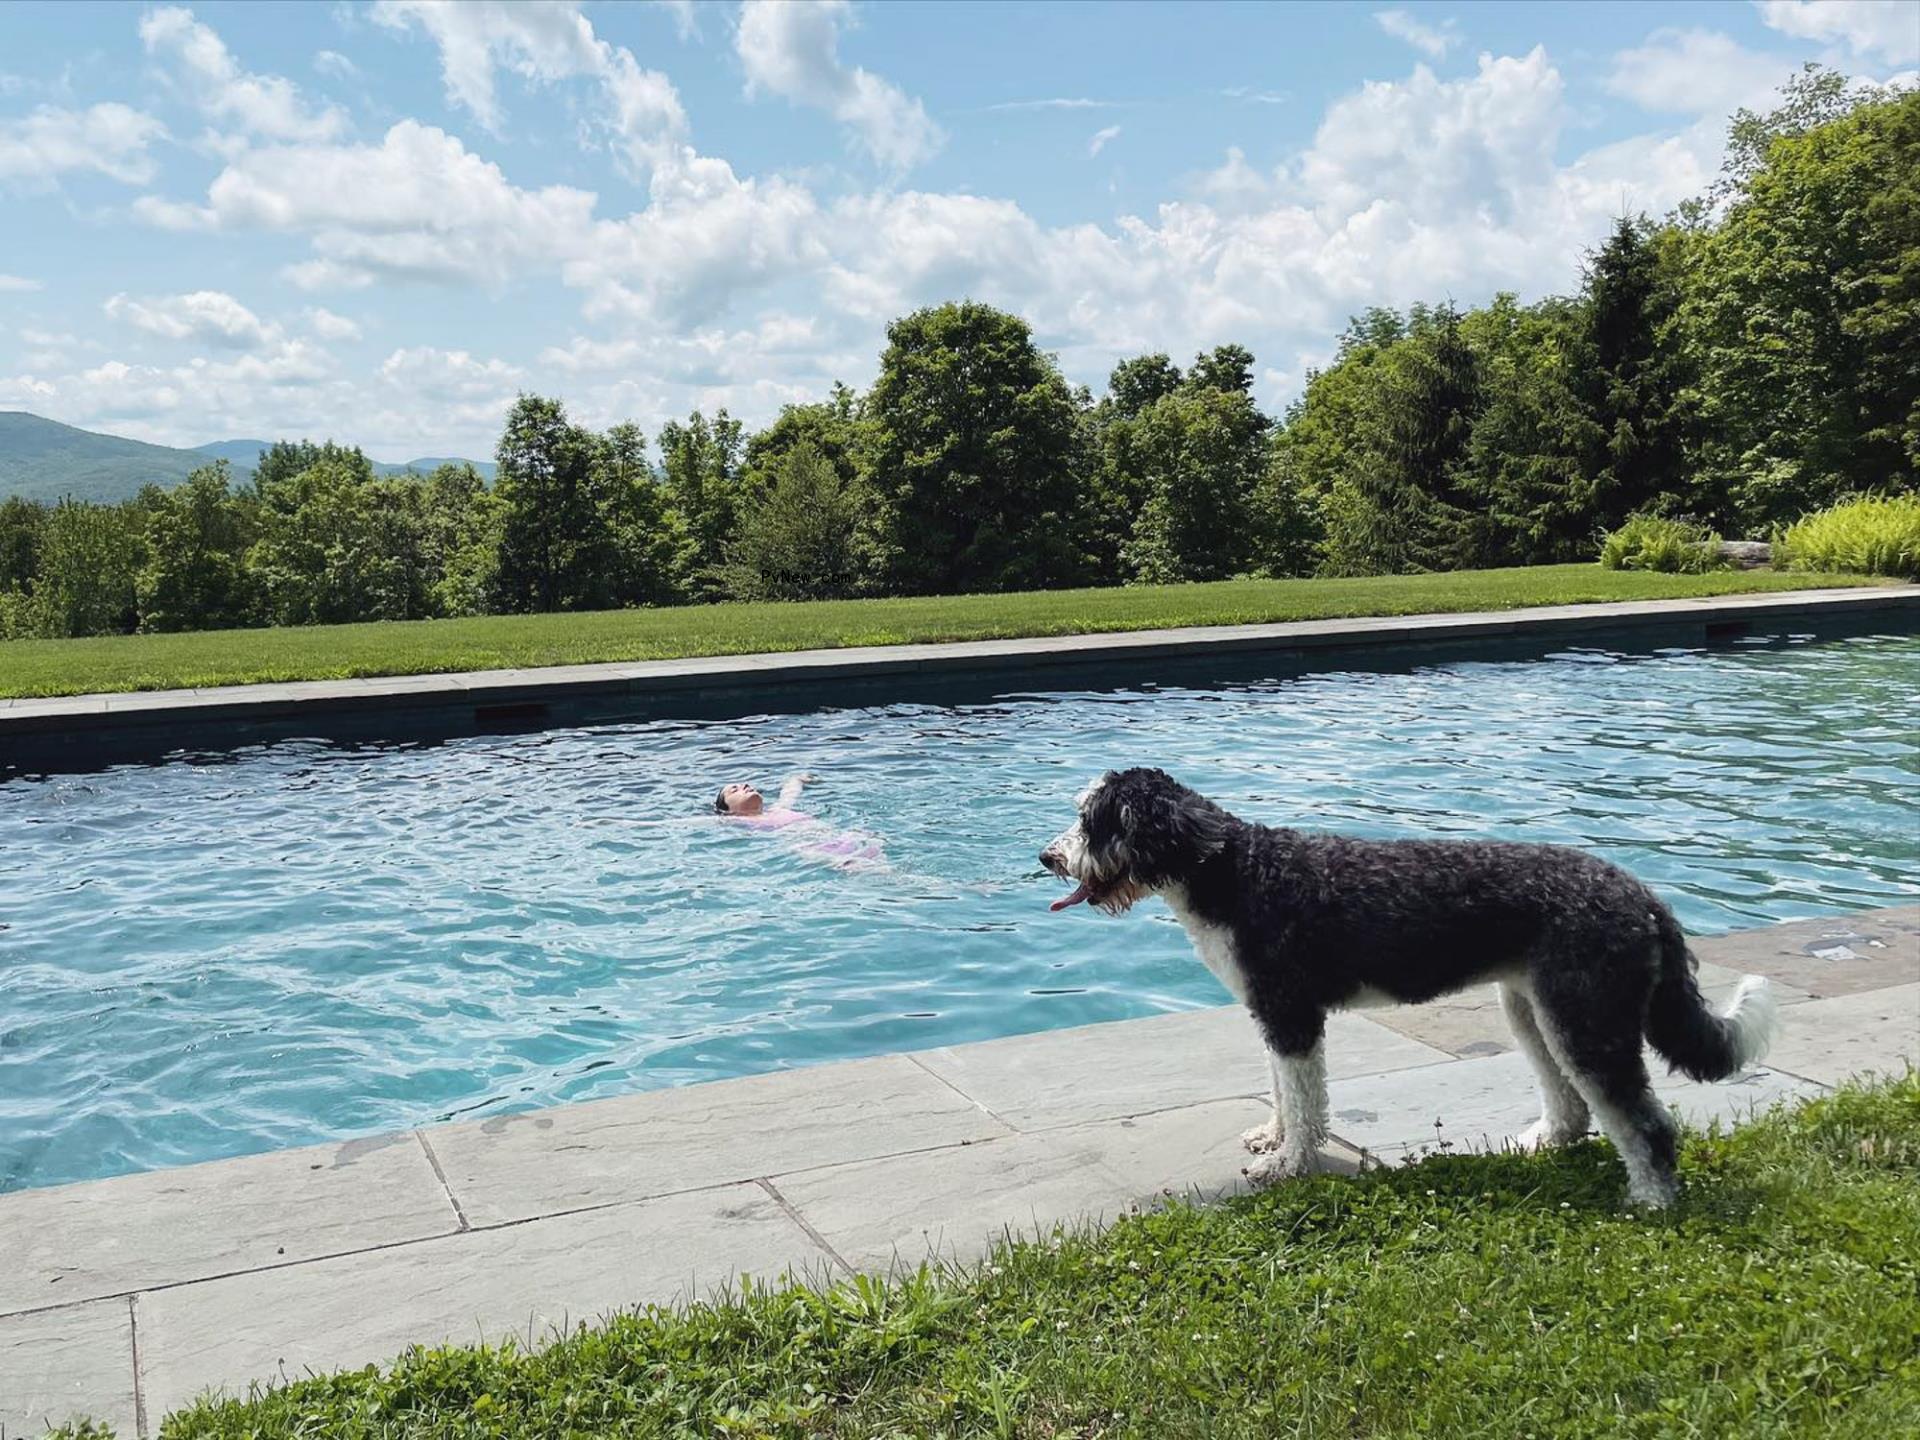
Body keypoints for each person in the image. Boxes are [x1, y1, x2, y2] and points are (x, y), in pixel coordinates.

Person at [713, 774, 884, 868]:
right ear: (727, 809)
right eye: (734, 790)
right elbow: (692, 823)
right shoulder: (737, 821)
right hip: (814, 849)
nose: (745, 786)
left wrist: (798, 778)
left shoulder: (779, 808)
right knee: (874, 872)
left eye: (745, 785)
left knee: (883, 865)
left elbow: (790, 791)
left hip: (843, 839)